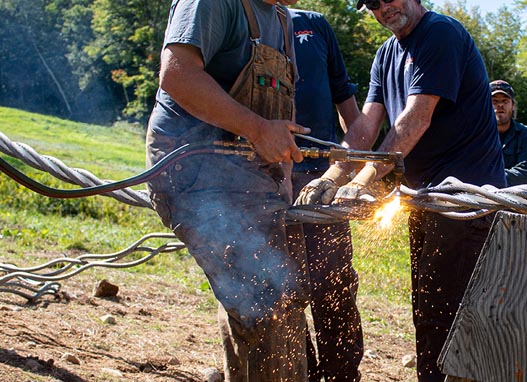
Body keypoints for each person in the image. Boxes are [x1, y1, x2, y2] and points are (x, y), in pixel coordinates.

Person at [296, 0, 506, 380]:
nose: (382, 8)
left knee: (446, 315)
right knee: (427, 311)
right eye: (372, 4)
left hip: (466, 202)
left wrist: (364, 181)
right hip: (426, 199)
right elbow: (366, 125)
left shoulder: (440, 33)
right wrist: (333, 175)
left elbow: (415, 118)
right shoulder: (386, 54)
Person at [144, 0, 312, 380]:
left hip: (251, 177)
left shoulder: (282, 20)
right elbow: (177, 74)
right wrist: (255, 129)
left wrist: (283, 175)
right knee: (267, 298)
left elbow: (281, 112)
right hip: (194, 168)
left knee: (274, 300)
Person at [289, 9, 363, 382]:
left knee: (334, 283)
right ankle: (300, 371)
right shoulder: (237, 20)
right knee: (279, 285)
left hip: (323, 180)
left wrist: (361, 167)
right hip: (265, 178)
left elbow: (347, 105)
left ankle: (342, 374)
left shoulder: (314, 25)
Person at [490, 79, 527, 186]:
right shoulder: (475, 136)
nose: (500, 105)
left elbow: (526, 175)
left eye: (505, 101)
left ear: (513, 105)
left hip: (516, 199)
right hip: (477, 198)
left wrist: (487, 176)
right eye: (494, 101)